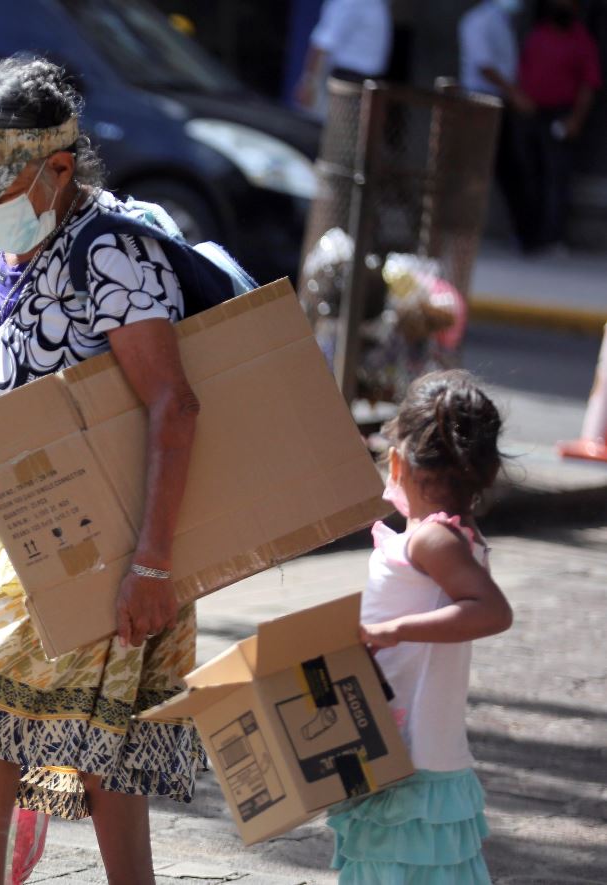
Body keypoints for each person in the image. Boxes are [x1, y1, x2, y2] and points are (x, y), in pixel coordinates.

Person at [0, 56, 206, 885]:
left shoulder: (111, 252)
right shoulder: (32, 242)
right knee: (99, 746)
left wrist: (153, 564)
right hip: (29, 541)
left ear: (58, 169)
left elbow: (173, 404)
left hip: (110, 545)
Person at [327, 370, 514, 883]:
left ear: (400, 460)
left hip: (412, 751)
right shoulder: (435, 536)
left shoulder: (435, 541)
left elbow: (492, 611)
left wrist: (398, 629)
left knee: (397, 864)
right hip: (397, 742)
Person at [517, 0, 602, 252]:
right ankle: (529, 237)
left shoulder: (581, 40)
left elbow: (590, 84)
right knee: (530, 175)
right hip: (532, 114)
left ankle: (553, 239)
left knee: (557, 178)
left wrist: (575, 119)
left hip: (561, 117)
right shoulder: (538, 34)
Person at [459, 0, 540, 250]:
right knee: (474, 169)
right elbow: (484, 65)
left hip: (499, 102)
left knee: (510, 169)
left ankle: (525, 235)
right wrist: (514, 94)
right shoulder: (478, 21)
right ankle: (459, 230)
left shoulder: (502, 23)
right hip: (480, 101)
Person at [296, 0, 392, 113]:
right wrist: (309, 82)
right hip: (346, 80)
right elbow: (322, 44)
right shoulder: (348, 2)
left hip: (371, 85)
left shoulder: (377, 3)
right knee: (334, 125)